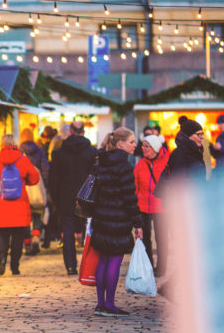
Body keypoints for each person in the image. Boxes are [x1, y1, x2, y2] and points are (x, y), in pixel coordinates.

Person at [92, 127, 143, 317]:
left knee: (103, 260)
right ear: (120, 144)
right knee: (114, 260)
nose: (134, 145)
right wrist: (138, 224)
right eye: (131, 142)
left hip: (101, 217)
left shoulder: (100, 161)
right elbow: (130, 197)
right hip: (119, 219)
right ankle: (110, 304)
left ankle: (100, 304)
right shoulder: (124, 166)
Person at [49, 121, 97, 275]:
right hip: (87, 197)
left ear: (70, 131)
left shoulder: (59, 153)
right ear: (83, 131)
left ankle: (71, 265)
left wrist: (56, 200)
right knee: (91, 229)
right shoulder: (91, 152)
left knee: (68, 232)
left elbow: (54, 179)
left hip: (66, 197)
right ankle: (91, 265)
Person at [0, 134, 40, 275]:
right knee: (18, 237)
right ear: (16, 144)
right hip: (20, 204)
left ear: (1, 144)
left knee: (3, 234)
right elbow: (35, 178)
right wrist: (24, 182)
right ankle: (15, 266)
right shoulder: (23, 160)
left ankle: (2, 260)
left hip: (2, 203)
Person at [134, 134, 169, 276]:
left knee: (162, 238)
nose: (142, 148)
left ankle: (161, 269)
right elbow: (135, 187)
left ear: (154, 148)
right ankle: (148, 265)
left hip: (162, 207)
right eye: (142, 145)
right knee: (145, 238)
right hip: (143, 206)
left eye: (146, 146)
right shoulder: (140, 164)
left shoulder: (167, 162)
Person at [19, 128, 48, 255]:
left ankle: (27, 243)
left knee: (25, 216)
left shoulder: (19, 151)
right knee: (37, 213)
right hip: (37, 185)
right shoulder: (39, 150)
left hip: (23, 187)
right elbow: (45, 169)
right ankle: (36, 238)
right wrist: (45, 185)